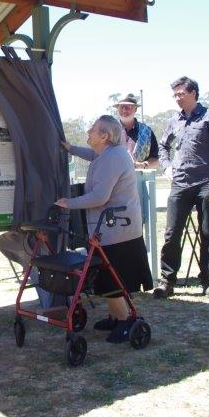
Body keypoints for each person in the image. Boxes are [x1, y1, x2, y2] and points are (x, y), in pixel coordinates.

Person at [56, 115, 153, 343]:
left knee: (112, 279)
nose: (89, 131)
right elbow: (93, 156)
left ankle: (125, 321)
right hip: (116, 229)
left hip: (117, 231)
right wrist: (71, 148)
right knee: (111, 276)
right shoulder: (110, 153)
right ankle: (115, 316)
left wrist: (69, 203)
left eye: (93, 129)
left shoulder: (112, 158)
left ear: (105, 136)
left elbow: (100, 197)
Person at [154, 76, 209, 299]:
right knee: (171, 232)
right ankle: (167, 282)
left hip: (206, 183)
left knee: (207, 232)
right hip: (180, 183)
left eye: (181, 94)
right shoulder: (173, 121)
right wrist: (167, 168)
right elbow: (162, 146)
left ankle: (207, 281)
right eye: (175, 95)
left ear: (194, 93)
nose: (177, 98)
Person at [116, 93, 160, 169]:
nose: (124, 110)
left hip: (139, 178)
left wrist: (143, 165)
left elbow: (155, 158)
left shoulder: (147, 131)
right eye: (121, 107)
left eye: (128, 107)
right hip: (114, 177)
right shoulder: (110, 130)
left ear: (135, 109)